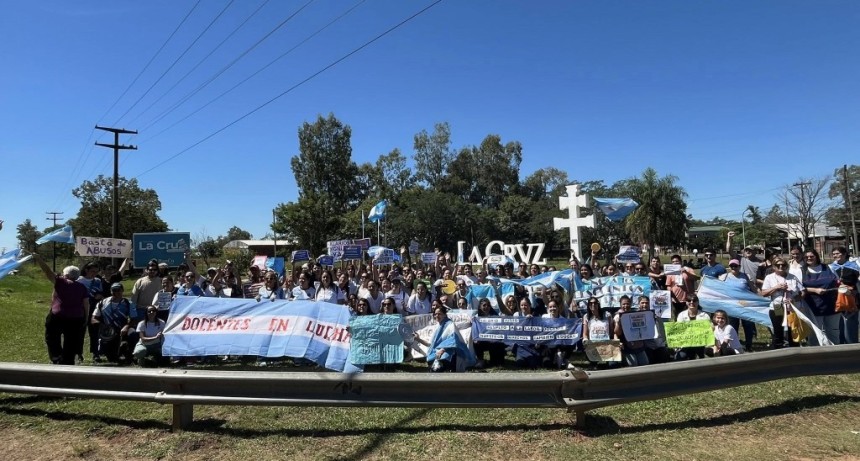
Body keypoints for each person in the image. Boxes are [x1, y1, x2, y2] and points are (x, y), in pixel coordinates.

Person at [34, 254, 89, 365]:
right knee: (71, 340)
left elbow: (47, 271)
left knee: (52, 336)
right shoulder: (82, 287)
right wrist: (85, 318)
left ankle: (56, 356)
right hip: (76, 317)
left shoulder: (61, 282)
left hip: (58, 316)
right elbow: (86, 304)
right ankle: (68, 361)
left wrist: (39, 259)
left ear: (66, 275)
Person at [412, 304, 475, 372]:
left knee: (441, 361)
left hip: (451, 352)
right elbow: (430, 345)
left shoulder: (450, 325)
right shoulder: (437, 327)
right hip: (438, 353)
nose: (437, 316)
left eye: (439, 314)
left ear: (445, 315)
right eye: (435, 314)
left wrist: (442, 349)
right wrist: (418, 339)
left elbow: (453, 341)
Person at [761, 257, 804, 349]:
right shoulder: (769, 277)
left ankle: (795, 352)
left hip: (791, 309)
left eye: (783, 265)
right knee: (778, 332)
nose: (781, 267)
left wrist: (794, 299)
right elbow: (764, 293)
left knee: (793, 332)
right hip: (777, 308)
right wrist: (776, 287)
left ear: (786, 266)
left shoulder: (792, 277)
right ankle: (778, 353)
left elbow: (802, 292)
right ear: (774, 266)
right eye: (778, 265)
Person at [801, 249, 840, 345]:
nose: (809, 258)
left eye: (811, 256)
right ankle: (815, 354)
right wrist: (814, 290)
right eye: (806, 257)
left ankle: (836, 353)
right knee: (815, 332)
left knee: (833, 331)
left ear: (816, 256)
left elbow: (838, 282)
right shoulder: (801, 271)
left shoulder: (829, 268)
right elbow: (798, 288)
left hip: (832, 305)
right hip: (813, 306)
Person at [719, 259, 757, 351]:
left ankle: (749, 345)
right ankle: (734, 346)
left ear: (739, 266)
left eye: (736, 266)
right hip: (731, 306)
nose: (734, 268)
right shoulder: (724, 277)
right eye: (732, 266)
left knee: (748, 326)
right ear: (729, 267)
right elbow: (718, 290)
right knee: (732, 327)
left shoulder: (746, 276)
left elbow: (753, 290)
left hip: (744, 305)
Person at [92, 283, 134, 363]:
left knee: (132, 333)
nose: (117, 292)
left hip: (122, 330)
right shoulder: (102, 303)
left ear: (122, 291)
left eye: (119, 290)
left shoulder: (128, 303)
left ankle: (130, 354)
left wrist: (127, 326)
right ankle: (104, 353)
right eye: (114, 290)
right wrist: (103, 327)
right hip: (108, 331)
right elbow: (93, 318)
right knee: (112, 359)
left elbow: (134, 319)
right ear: (111, 291)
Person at [830, 246, 859, 344]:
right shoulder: (831, 267)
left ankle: (852, 344)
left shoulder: (854, 266)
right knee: (840, 322)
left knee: (851, 321)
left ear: (844, 254)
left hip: (852, 296)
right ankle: (841, 344)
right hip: (837, 297)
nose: (835, 256)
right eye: (834, 254)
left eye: (838, 253)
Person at [613, 295, 648, 367]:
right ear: (620, 305)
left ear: (630, 304)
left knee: (645, 363)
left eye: (628, 304)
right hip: (627, 346)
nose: (626, 306)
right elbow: (617, 333)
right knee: (633, 364)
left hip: (638, 345)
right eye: (624, 304)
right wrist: (618, 323)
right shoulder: (617, 316)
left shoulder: (634, 314)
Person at [675, 295, 711, 360]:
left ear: (698, 302)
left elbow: (708, 331)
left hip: (701, 344)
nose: (691, 302)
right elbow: (679, 330)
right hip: (686, 344)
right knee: (679, 357)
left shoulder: (705, 316)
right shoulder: (681, 315)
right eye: (689, 300)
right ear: (686, 302)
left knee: (703, 356)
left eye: (694, 301)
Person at [473, 298, 506, 368]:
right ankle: (480, 359)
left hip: (492, 340)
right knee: (475, 342)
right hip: (481, 341)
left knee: (500, 342)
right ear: (480, 307)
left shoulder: (495, 316)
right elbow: (475, 330)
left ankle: (495, 360)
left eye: (488, 305)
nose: (486, 307)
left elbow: (499, 329)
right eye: (484, 305)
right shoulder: (476, 317)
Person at [665, 254, 700, 319]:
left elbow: (696, 278)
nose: (675, 263)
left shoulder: (688, 269)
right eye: (673, 262)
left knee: (690, 316)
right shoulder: (670, 272)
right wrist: (670, 293)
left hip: (688, 299)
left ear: (681, 262)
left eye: (677, 261)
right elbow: (668, 285)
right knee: (678, 317)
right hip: (676, 300)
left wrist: (686, 272)